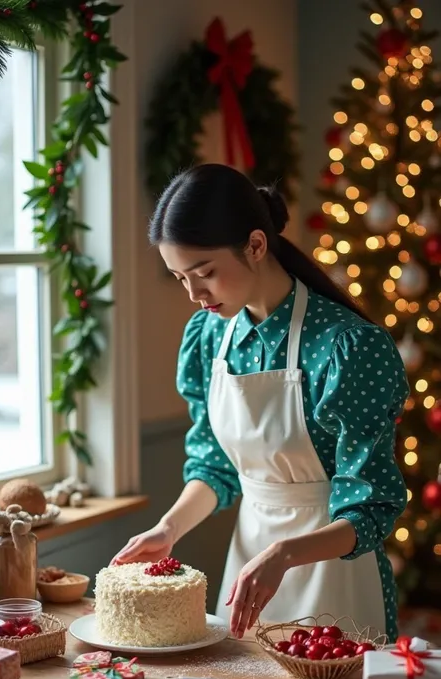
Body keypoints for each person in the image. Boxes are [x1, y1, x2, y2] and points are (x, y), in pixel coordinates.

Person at [111, 163, 409, 643]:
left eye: (204, 272)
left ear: (255, 245)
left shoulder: (346, 347)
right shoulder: (210, 336)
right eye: (179, 277)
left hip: (335, 573)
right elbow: (214, 468)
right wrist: (169, 529)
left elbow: (370, 510)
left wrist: (285, 554)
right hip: (249, 561)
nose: (193, 294)